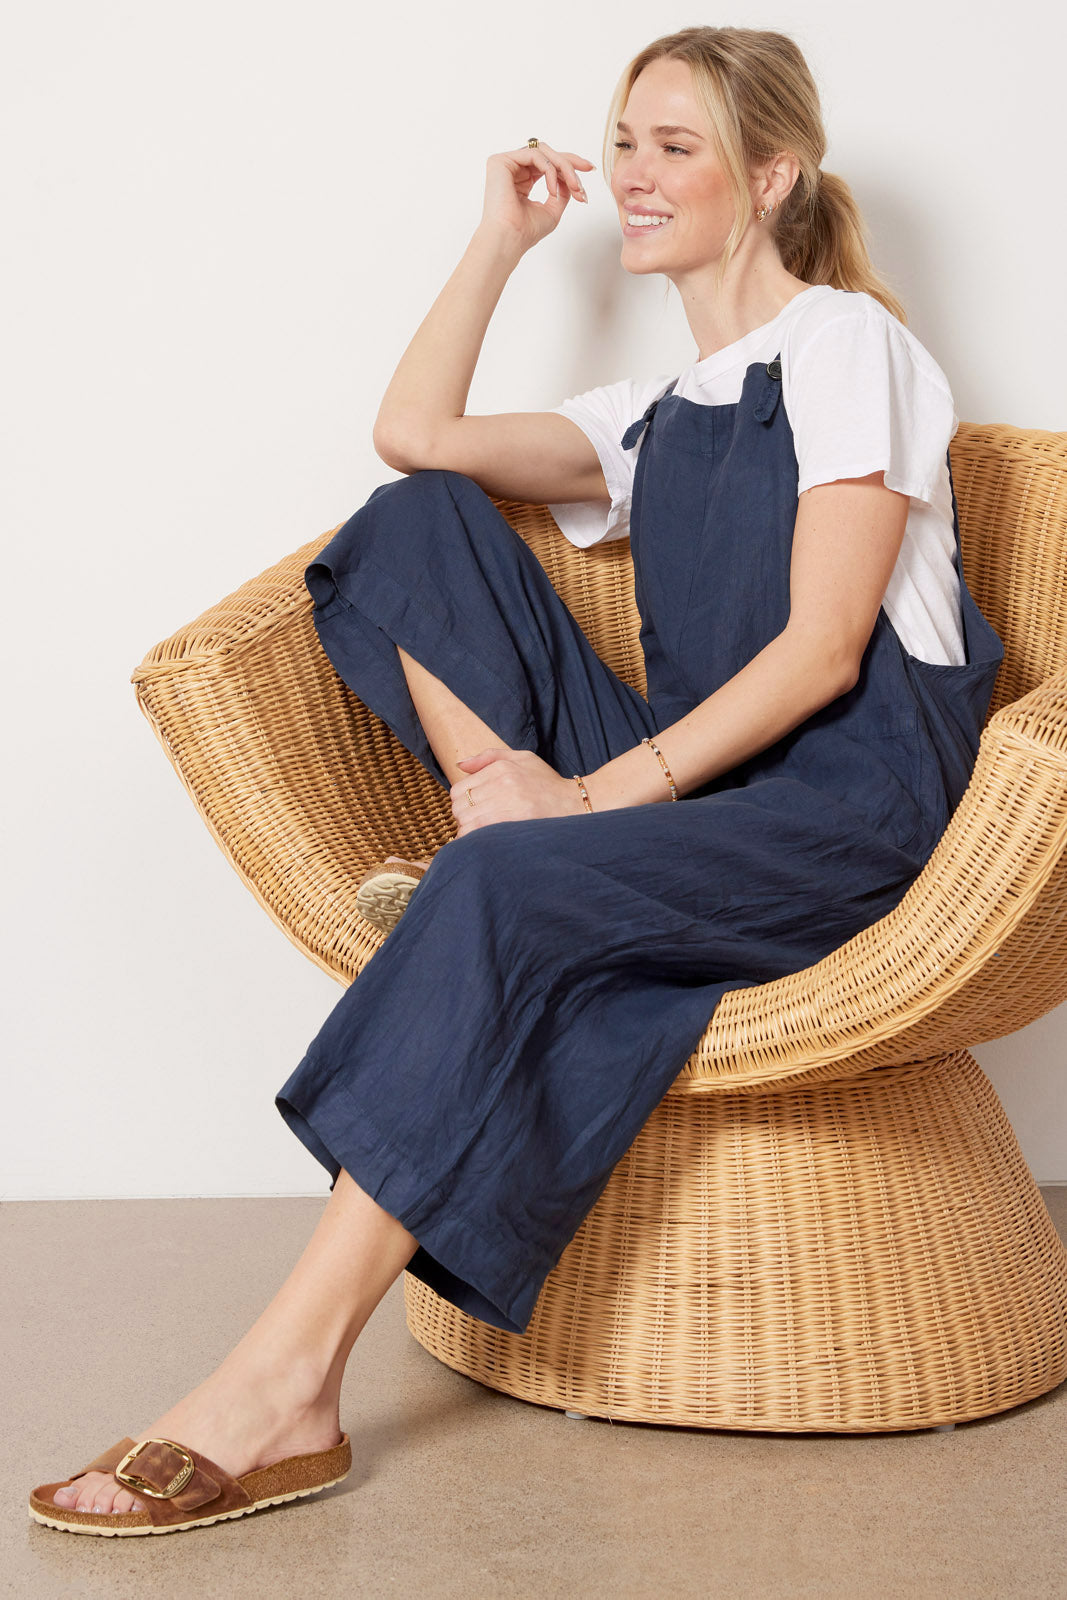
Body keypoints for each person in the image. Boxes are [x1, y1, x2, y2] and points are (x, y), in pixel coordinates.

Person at [30, 25, 1002, 1535]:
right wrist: (500, 239)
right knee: (416, 518)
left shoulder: (847, 347)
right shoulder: (655, 413)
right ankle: (511, 860)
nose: (634, 174)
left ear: (773, 178)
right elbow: (412, 434)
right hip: (698, 798)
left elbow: (822, 655)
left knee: (506, 875)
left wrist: (588, 803)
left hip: (842, 814)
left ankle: (285, 1388)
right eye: (624, 141)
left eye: (675, 146)